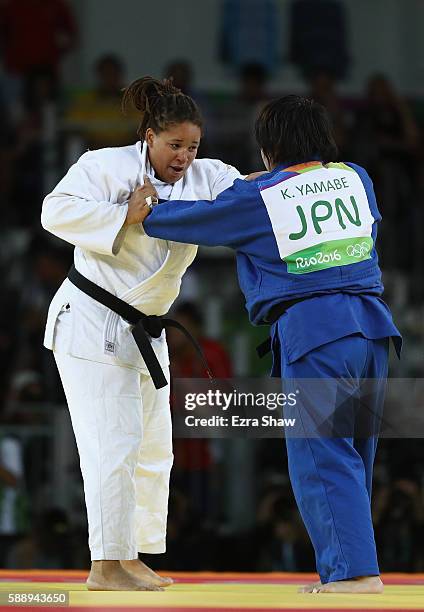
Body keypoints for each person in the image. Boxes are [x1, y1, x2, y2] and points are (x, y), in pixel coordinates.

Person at [139, 95, 402, 594]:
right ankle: (351, 568)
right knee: (355, 455)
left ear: (267, 151)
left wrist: (145, 206)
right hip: (374, 330)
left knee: (321, 453)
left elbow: (188, 220)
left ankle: (355, 575)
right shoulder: (356, 178)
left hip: (318, 331)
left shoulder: (260, 200)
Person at [41, 76, 241, 591]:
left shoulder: (207, 176)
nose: (184, 156)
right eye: (174, 145)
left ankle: (131, 555)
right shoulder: (103, 166)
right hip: (92, 322)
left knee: (153, 447)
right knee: (112, 443)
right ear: (148, 136)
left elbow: (252, 195)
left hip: (146, 329)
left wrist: (300, 174)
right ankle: (104, 564)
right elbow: (53, 211)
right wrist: (121, 214)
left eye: (192, 146)